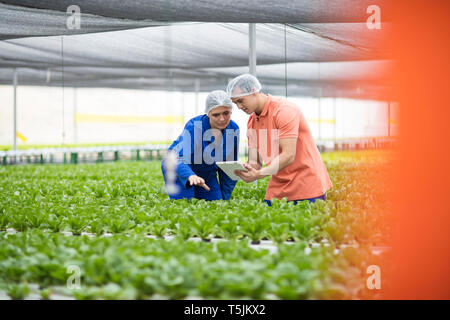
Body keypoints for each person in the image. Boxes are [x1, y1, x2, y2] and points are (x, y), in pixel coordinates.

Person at [227, 74, 332, 206]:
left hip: (306, 183)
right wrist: (246, 169)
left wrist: (259, 174)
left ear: (254, 91)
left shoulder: (284, 110)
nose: (239, 107)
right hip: (278, 185)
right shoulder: (252, 122)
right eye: (235, 103)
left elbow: (288, 155)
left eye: (240, 101)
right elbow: (255, 162)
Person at [161, 90, 240, 201]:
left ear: (231, 111)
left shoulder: (233, 129)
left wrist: (224, 199)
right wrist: (190, 175)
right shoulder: (195, 127)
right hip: (179, 170)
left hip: (206, 174)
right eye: (216, 115)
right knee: (184, 206)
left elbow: (228, 167)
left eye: (226, 113)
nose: (222, 119)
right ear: (208, 114)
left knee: (216, 205)